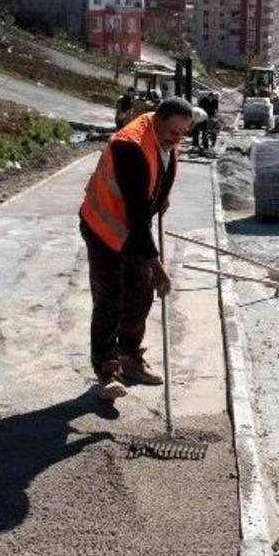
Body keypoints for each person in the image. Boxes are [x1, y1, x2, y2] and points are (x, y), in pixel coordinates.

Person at [79, 97, 195, 400]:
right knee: (109, 300)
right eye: (173, 132)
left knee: (140, 295)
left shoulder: (165, 138)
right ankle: (107, 372)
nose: (177, 139)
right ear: (156, 121)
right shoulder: (129, 146)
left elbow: (158, 175)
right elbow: (137, 218)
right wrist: (157, 269)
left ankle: (130, 357)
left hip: (131, 226)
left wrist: (160, 198)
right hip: (104, 227)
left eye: (183, 133)